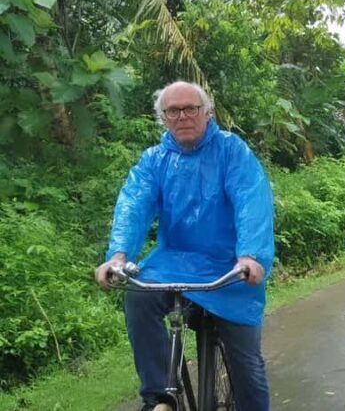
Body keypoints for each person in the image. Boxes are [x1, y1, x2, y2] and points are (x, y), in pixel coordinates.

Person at [94, 81, 274, 411]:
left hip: (231, 268)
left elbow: (251, 201)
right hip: (174, 261)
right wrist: (118, 256)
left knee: (247, 366)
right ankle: (160, 397)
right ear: (163, 118)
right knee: (138, 297)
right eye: (173, 111)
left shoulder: (232, 151)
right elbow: (133, 204)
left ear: (208, 112)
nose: (182, 116)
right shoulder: (154, 160)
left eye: (191, 108)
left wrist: (251, 255)